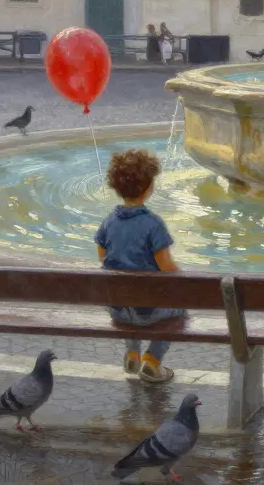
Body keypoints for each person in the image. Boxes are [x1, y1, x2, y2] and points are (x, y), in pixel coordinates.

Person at [95, 149, 184, 385]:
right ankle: (152, 361)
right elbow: (165, 265)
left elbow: (103, 256)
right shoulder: (153, 224)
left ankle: (133, 352)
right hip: (150, 311)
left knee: (126, 292)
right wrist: (181, 276)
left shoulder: (108, 222)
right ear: (149, 188)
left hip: (119, 310)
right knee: (180, 310)